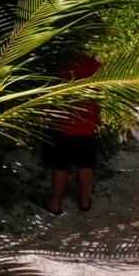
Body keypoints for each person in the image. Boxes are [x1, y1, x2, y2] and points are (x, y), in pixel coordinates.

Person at [45, 52, 101, 214]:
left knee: (60, 165)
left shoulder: (59, 64)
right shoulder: (94, 66)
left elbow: (49, 94)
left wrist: (47, 115)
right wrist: (97, 117)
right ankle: (84, 200)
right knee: (85, 163)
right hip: (86, 124)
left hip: (61, 123)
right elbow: (99, 95)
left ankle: (55, 203)